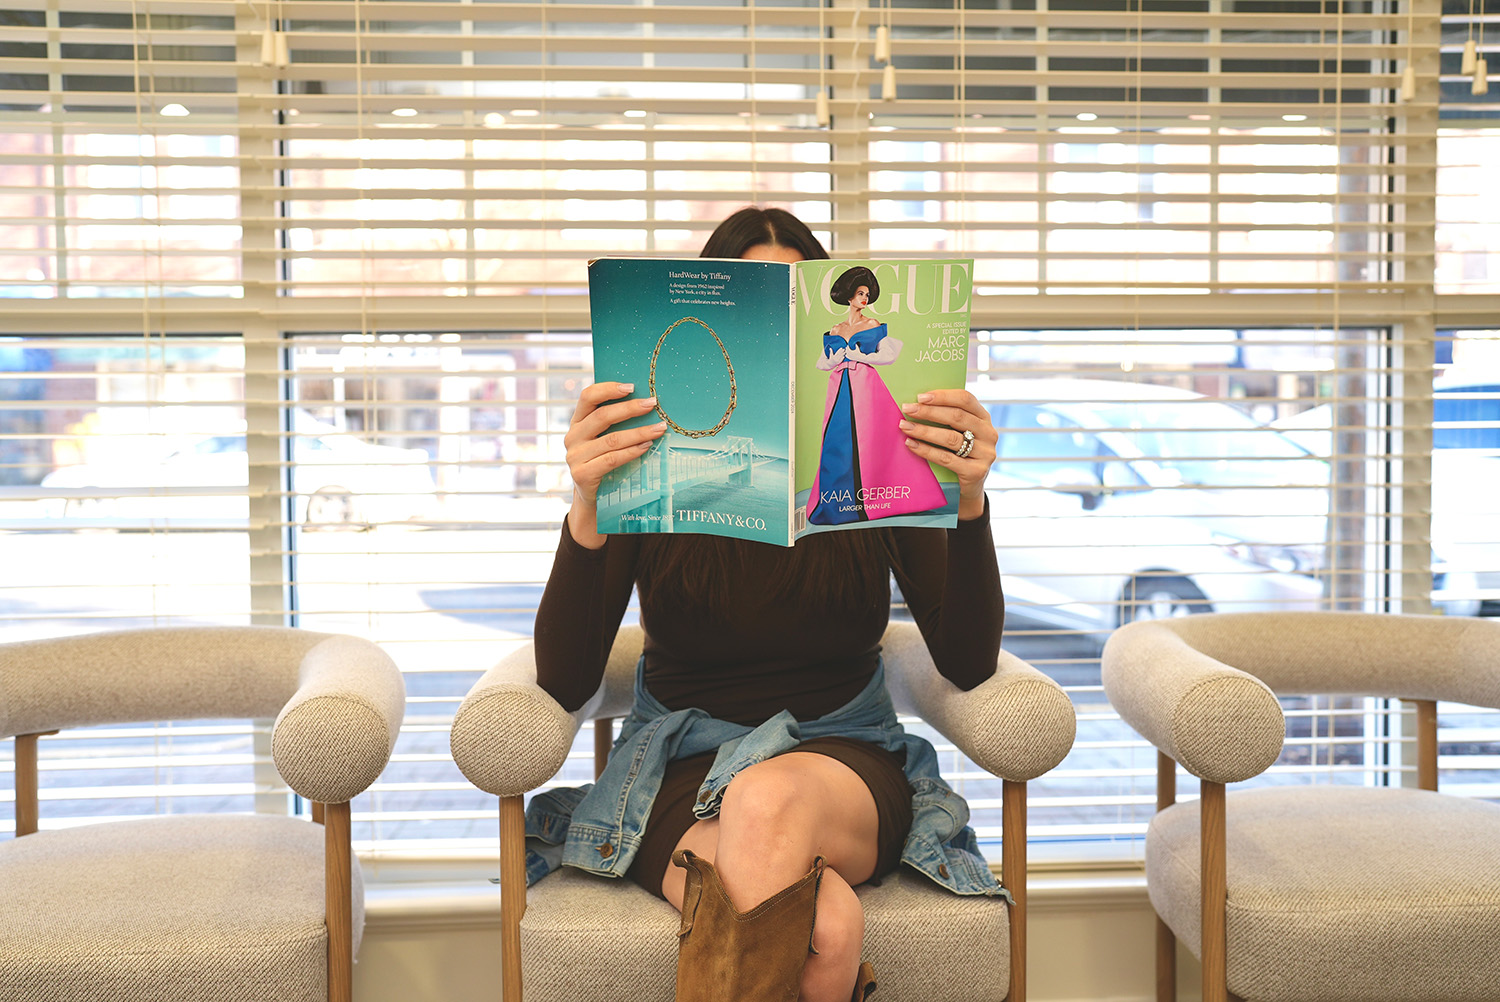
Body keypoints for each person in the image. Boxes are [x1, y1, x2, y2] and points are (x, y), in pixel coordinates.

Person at [531, 206, 1004, 1002]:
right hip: (677, 765)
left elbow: (966, 660)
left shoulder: (871, 458)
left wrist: (969, 498)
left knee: (767, 797)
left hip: (844, 758)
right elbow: (566, 679)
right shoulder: (657, 457)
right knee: (831, 929)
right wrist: (588, 502)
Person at [806, 264, 947, 526]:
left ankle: (884, 497)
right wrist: (835, 359)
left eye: (867, 294)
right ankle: (837, 502)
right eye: (860, 293)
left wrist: (860, 356)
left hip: (865, 385)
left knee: (872, 440)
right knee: (837, 439)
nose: (864, 299)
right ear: (849, 295)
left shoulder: (872, 324)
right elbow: (821, 362)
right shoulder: (835, 329)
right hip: (839, 386)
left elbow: (889, 354)